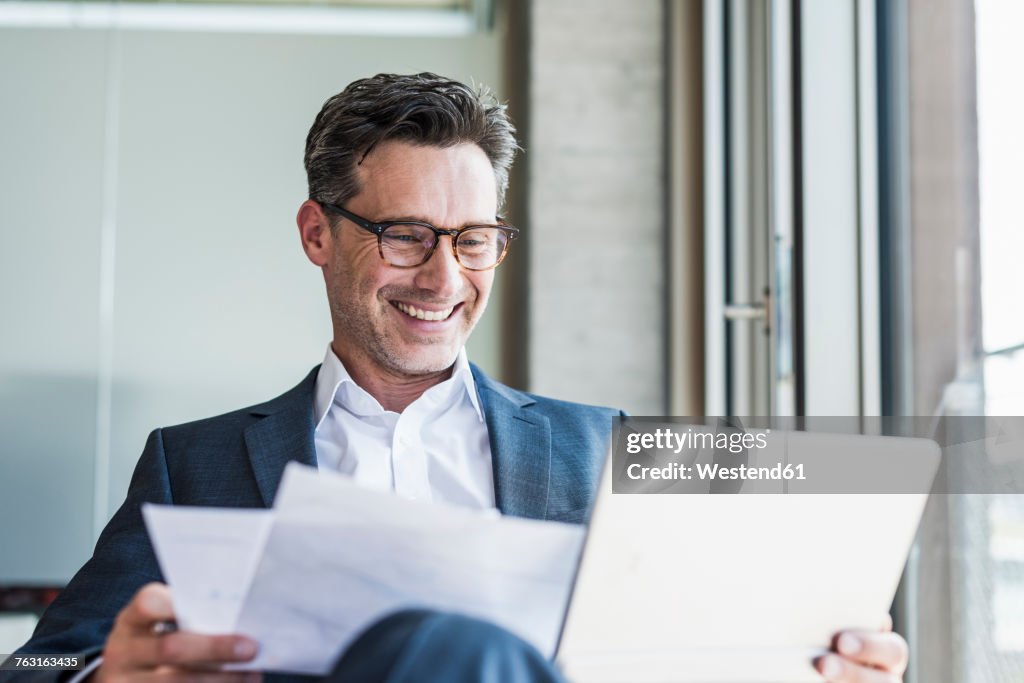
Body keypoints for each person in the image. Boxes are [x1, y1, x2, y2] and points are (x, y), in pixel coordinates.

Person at [2, 73, 908, 683]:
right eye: (407, 236)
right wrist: (104, 674)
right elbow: (35, 666)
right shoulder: (193, 463)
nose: (444, 280)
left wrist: (820, 660)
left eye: (473, 240)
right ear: (319, 233)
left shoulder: (606, 448)